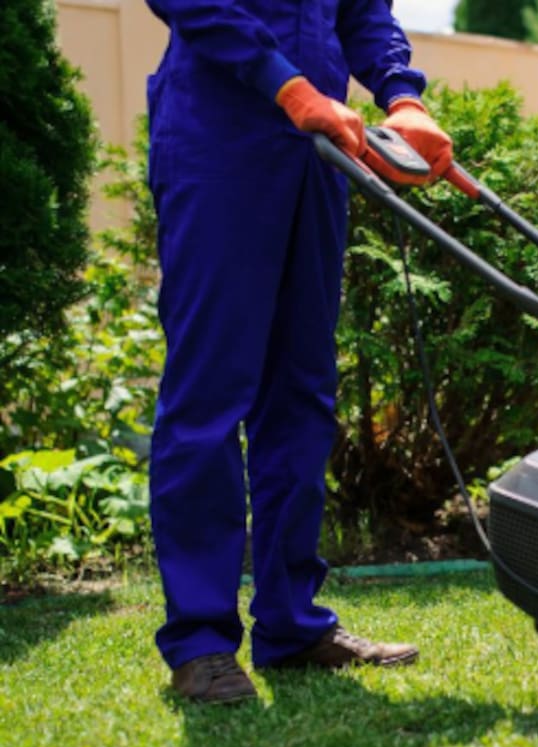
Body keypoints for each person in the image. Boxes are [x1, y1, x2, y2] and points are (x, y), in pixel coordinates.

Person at [144, 0, 453, 704]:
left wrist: (403, 96)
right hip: (219, 142)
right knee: (208, 400)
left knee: (302, 394)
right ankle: (201, 645)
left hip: (316, 150)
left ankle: (291, 624)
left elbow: (363, 11)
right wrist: (289, 86)